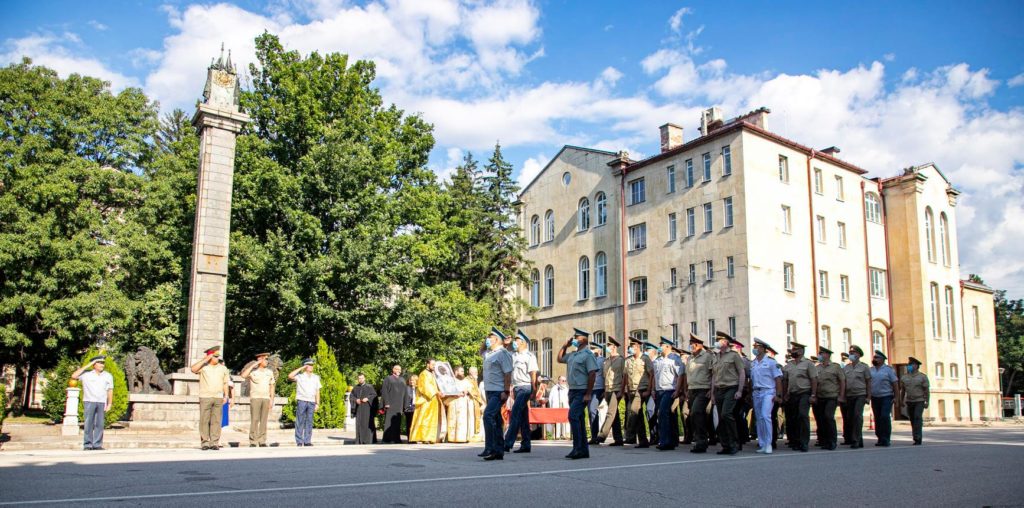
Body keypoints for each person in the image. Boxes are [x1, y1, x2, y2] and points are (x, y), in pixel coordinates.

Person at [557, 328, 599, 459]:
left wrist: (588, 394)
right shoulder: (573, 354)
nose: (574, 339)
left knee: (573, 416)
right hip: (573, 390)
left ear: (584, 340)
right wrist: (565, 345)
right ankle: (584, 450)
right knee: (579, 419)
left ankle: (577, 448)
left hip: (582, 390)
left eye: (577, 338)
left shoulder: (588, 354)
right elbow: (560, 359)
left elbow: (592, 374)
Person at [710, 332, 746, 455]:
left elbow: (741, 373)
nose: (717, 342)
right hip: (719, 389)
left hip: (731, 388)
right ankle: (725, 445)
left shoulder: (734, 356)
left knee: (727, 414)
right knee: (721, 418)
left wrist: (740, 390)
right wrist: (713, 393)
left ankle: (735, 443)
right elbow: (714, 376)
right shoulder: (716, 356)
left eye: (719, 340)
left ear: (725, 342)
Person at [190, 346, 233, 450]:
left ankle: (214, 442)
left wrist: (226, 396)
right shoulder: (203, 367)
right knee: (204, 420)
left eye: (218, 356)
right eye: (215, 356)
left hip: (218, 397)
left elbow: (225, 383)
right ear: (210, 356)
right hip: (205, 396)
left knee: (216, 420)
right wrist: (205, 359)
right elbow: (193, 369)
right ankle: (205, 442)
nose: (217, 358)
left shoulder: (223, 368)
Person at [481, 327, 513, 460]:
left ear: (497, 340)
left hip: (498, 391)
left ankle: (490, 447)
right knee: (496, 419)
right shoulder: (489, 353)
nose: (487, 340)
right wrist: (486, 341)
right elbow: (481, 350)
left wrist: (506, 391)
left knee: (487, 416)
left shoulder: (502, 353)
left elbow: (507, 373)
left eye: (490, 338)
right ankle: (498, 450)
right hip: (489, 390)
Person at [71, 355, 114, 451]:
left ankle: (97, 444)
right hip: (89, 401)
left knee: (100, 424)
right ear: (94, 364)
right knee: (88, 423)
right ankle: (87, 444)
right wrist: (87, 366)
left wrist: (109, 403)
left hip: (101, 402)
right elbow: (74, 376)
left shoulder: (108, 375)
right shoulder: (86, 374)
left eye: (103, 363)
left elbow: (110, 390)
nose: (102, 365)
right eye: (99, 363)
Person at [782, 342, 818, 452]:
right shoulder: (789, 365)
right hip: (792, 394)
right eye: (792, 349)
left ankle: (804, 442)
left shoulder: (808, 364)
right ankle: (795, 441)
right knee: (793, 418)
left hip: (804, 392)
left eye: (795, 350)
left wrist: (813, 394)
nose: (792, 351)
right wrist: (785, 394)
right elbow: (785, 381)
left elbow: (814, 379)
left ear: (801, 351)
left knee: (802, 416)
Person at [749, 339, 783, 454]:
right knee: (759, 418)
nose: (755, 348)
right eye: (754, 346)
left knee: (765, 415)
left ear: (763, 349)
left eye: (757, 346)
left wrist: (778, 394)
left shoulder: (771, 362)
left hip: (768, 391)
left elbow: (778, 379)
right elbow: (752, 380)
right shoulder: (753, 363)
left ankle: (769, 443)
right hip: (756, 392)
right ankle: (762, 443)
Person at [682, 334, 713, 453]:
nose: (691, 347)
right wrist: (686, 390)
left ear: (698, 345)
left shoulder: (707, 356)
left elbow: (713, 373)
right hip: (692, 389)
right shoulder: (690, 358)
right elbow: (687, 375)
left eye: (692, 344)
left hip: (703, 388)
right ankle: (700, 440)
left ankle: (702, 441)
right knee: (695, 415)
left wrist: (711, 389)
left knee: (696, 412)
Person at [653, 337, 683, 450]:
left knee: (662, 413)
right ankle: (673, 440)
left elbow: (680, 375)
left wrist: (677, 390)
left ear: (667, 346)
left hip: (669, 389)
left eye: (661, 345)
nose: (659, 347)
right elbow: (654, 376)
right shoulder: (658, 360)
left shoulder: (674, 359)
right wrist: (653, 390)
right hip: (659, 390)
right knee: (670, 415)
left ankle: (664, 441)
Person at [624, 338, 654, 448]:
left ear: (637, 347)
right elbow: (626, 377)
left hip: (642, 389)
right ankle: (643, 440)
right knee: (639, 415)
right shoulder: (628, 360)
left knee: (634, 411)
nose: (630, 349)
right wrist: (626, 391)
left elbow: (651, 375)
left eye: (632, 347)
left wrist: (649, 390)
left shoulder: (645, 359)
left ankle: (630, 434)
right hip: (631, 390)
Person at [813, 347, 845, 450]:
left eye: (821, 353)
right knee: (821, 419)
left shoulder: (835, 367)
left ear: (827, 355)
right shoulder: (817, 368)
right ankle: (824, 440)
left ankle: (832, 441)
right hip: (820, 396)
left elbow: (842, 381)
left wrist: (841, 396)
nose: (819, 355)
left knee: (828, 417)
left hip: (831, 396)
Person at [241, 352, 275, 447]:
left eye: (267, 359)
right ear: (260, 359)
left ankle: (262, 440)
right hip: (255, 398)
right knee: (255, 420)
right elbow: (243, 375)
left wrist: (272, 399)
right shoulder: (253, 372)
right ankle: (253, 440)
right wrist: (255, 364)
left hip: (265, 398)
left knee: (264, 420)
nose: (267, 361)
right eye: (265, 359)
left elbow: (272, 386)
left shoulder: (269, 372)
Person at [842, 346, 871, 448]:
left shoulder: (864, 367)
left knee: (857, 416)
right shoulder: (846, 368)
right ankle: (859, 439)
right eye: (850, 352)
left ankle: (856, 440)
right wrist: (843, 396)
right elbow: (843, 383)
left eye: (853, 352)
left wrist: (868, 396)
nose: (851, 354)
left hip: (860, 394)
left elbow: (868, 382)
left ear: (858, 355)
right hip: (849, 395)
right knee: (850, 417)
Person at [287, 358, 321, 446]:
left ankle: (307, 441)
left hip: (311, 401)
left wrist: (317, 403)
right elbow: (290, 376)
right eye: (309, 365)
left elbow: (317, 391)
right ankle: (299, 441)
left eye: (312, 365)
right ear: (305, 366)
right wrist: (301, 368)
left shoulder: (316, 377)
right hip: (302, 400)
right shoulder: (300, 376)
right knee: (300, 421)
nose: (311, 367)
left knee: (309, 421)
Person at [869, 350, 898, 447]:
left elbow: (895, 383)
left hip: (886, 396)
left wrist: (896, 397)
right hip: (875, 397)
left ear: (882, 360)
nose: (874, 359)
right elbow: (868, 384)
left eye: (877, 358)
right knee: (877, 418)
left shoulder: (888, 370)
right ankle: (880, 438)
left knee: (884, 416)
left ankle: (886, 438)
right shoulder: (871, 370)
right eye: (874, 357)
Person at [410, 359, 443, 444]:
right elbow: (424, 387)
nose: (434, 366)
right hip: (426, 400)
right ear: (427, 364)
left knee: (432, 419)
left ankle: (430, 437)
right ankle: (424, 437)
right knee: (425, 419)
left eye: (435, 365)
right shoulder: (424, 374)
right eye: (433, 364)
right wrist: (435, 392)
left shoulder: (432, 374)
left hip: (433, 400)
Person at [900, 357, 930, 445]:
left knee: (917, 417)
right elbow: (903, 390)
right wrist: (901, 400)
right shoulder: (904, 377)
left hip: (919, 400)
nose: (909, 366)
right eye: (908, 364)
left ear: (916, 366)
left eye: (911, 364)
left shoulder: (922, 377)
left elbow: (926, 390)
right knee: (912, 419)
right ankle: (915, 436)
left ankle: (918, 437)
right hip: (909, 401)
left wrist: (927, 401)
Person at [445, 366, 475, 443]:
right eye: (461, 371)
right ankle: (452, 438)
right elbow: (446, 390)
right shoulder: (451, 381)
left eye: (463, 371)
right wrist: (455, 394)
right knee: (453, 420)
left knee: (462, 421)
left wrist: (467, 391)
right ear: (456, 372)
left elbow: (471, 389)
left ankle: (462, 438)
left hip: (463, 403)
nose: (463, 373)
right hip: (453, 403)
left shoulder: (466, 381)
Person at [381, 364, 408, 444]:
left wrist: (405, 404)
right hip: (391, 403)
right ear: (393, 370)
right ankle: (387, 439)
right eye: (396, 369)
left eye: (399, 369)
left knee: (397, 422)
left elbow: (405, 393)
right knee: (389, 421)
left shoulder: (402, 380)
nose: (398, 371)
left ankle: (396, 439)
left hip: (399, 404)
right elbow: (384, 391)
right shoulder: (388, 379)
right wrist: (386, 403)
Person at [350, 373, 377, 444]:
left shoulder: (369, 387)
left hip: (367, 409)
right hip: (359, 409)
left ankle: (368, 440)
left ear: (364, 378)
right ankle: (359, 440)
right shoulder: (355, 388)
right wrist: (356, 400)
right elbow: (351, 396)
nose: (360, 379)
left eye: (362, 378)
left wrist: (367, 398)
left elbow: (374, 395)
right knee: (359, 424)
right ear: (357, 379)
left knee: (368, 423)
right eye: (359, 378)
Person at [587, 344, 606, 444]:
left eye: (593, 349)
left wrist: (605, 389)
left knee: (592, 410)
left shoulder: (602, 361)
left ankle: (595, 436)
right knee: (590, 411)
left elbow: (606, 375)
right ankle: (594, 435)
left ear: (599, 350)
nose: (591, 350)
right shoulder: (588, 360)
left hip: (599, 388)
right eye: (591, 349)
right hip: (589, 389)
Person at [466, 366, 486, 443]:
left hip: (477, 402)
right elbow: (473, 392)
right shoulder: (467, 380)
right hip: (471, 402)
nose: (477, 373)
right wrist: (480, 401)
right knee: (471, 418)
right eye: (476, 372)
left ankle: (476, 435)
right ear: (471, 372)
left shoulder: (475, 380)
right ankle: (471, 435)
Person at [404, 374, 417, 440]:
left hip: (417, 408)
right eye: (411, 380)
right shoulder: (406, 388)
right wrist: (405, 408)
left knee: (415, 424)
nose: (412, 382)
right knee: (409, 424)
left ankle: (415, 438)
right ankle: (410, 438)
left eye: (414, 380)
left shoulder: (419, 389)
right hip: (409, 409)